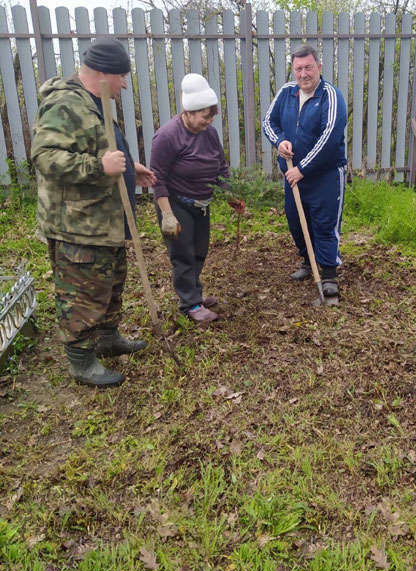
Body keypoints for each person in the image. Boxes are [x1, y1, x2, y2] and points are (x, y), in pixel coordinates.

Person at [32, 36, 156, 388]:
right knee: (81, 293)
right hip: (78, 224)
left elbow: (97, 145)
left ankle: (106, 338)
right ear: (104, 73)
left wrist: (130, 167)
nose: (123, 85)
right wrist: (100, 167)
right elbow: (45, 157)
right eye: (121, 77)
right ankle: (80, 360)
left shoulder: (94, 101)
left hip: (105, 220)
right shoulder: (64, 104)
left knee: (110, 281)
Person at [150, 73, 243, 323]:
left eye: (212, 115)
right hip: (176, 203)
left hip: (201, 204)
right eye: (205, 116)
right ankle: (189, 304)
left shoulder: (209, 134)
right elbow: (156, 177)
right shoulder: (167, 136)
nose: (209, 121)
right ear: (189, 112)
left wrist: (229, 195)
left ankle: (195, 295)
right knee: (182, 253)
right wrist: (167, 214)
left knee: (199, 251)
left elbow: (220, 166)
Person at [263, 44, 347, 300]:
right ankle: (308, 261)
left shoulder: (331, 97)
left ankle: (329, 273)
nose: (303, 74)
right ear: (293, 70)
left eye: (308, 67)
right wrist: (279, 141)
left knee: (325, 223)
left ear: (319, 67)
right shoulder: (286, 93)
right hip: (293, 176)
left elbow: (330, 138)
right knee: (297, 222)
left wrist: (303, 168)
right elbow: (268, 122)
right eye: (298, 68)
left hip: (325, 175)